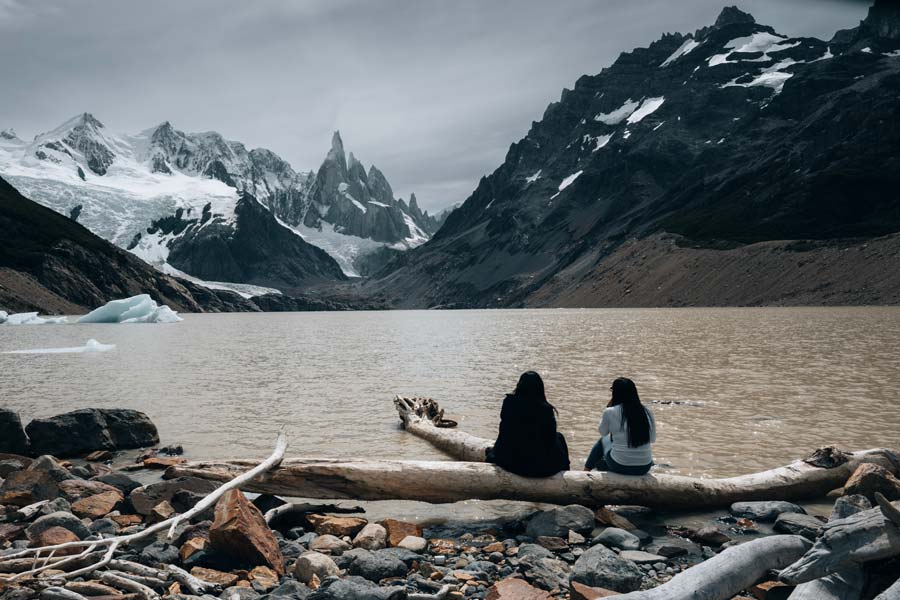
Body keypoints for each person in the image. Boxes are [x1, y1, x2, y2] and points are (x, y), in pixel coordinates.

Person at [485, 371, 571, 477]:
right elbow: (550, 439)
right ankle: (567, 474)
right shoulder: (546, 409)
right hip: (541, 468)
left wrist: (496, 452)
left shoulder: (509, 403)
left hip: (512, 463)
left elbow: (504, 431)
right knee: (560, 437)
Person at [585, 377, 655, 475]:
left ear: (615, 393)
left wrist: (608, 406)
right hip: (645, 467)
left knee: (602, 442)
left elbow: (603, 432)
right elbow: (652, 439)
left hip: (620, 466)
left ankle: (585, 471)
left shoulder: (610, 411)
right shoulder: (647, 411)